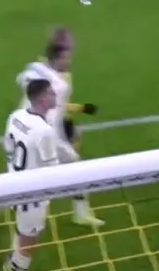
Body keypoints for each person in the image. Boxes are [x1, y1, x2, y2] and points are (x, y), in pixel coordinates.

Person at [1, 79, 79, 271]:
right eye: (52, 93)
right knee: (28, 241)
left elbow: (7, 147)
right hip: (32, 196)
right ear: (43, 98)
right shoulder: (44, 131)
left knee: (21, 228)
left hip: (12, 184)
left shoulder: (16, 116)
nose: (56, 96)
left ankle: (11, 261)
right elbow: (52, 170)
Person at [15, 42, 102, 227]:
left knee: (71, 167)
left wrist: (78, 111)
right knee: (42, 176)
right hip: (42, 135)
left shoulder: (41, 74)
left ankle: (80, 214)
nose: (69, 61)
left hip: (40, 133)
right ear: (55, 59)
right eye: (65, 57)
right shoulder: (56, 83)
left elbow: (22, 78)